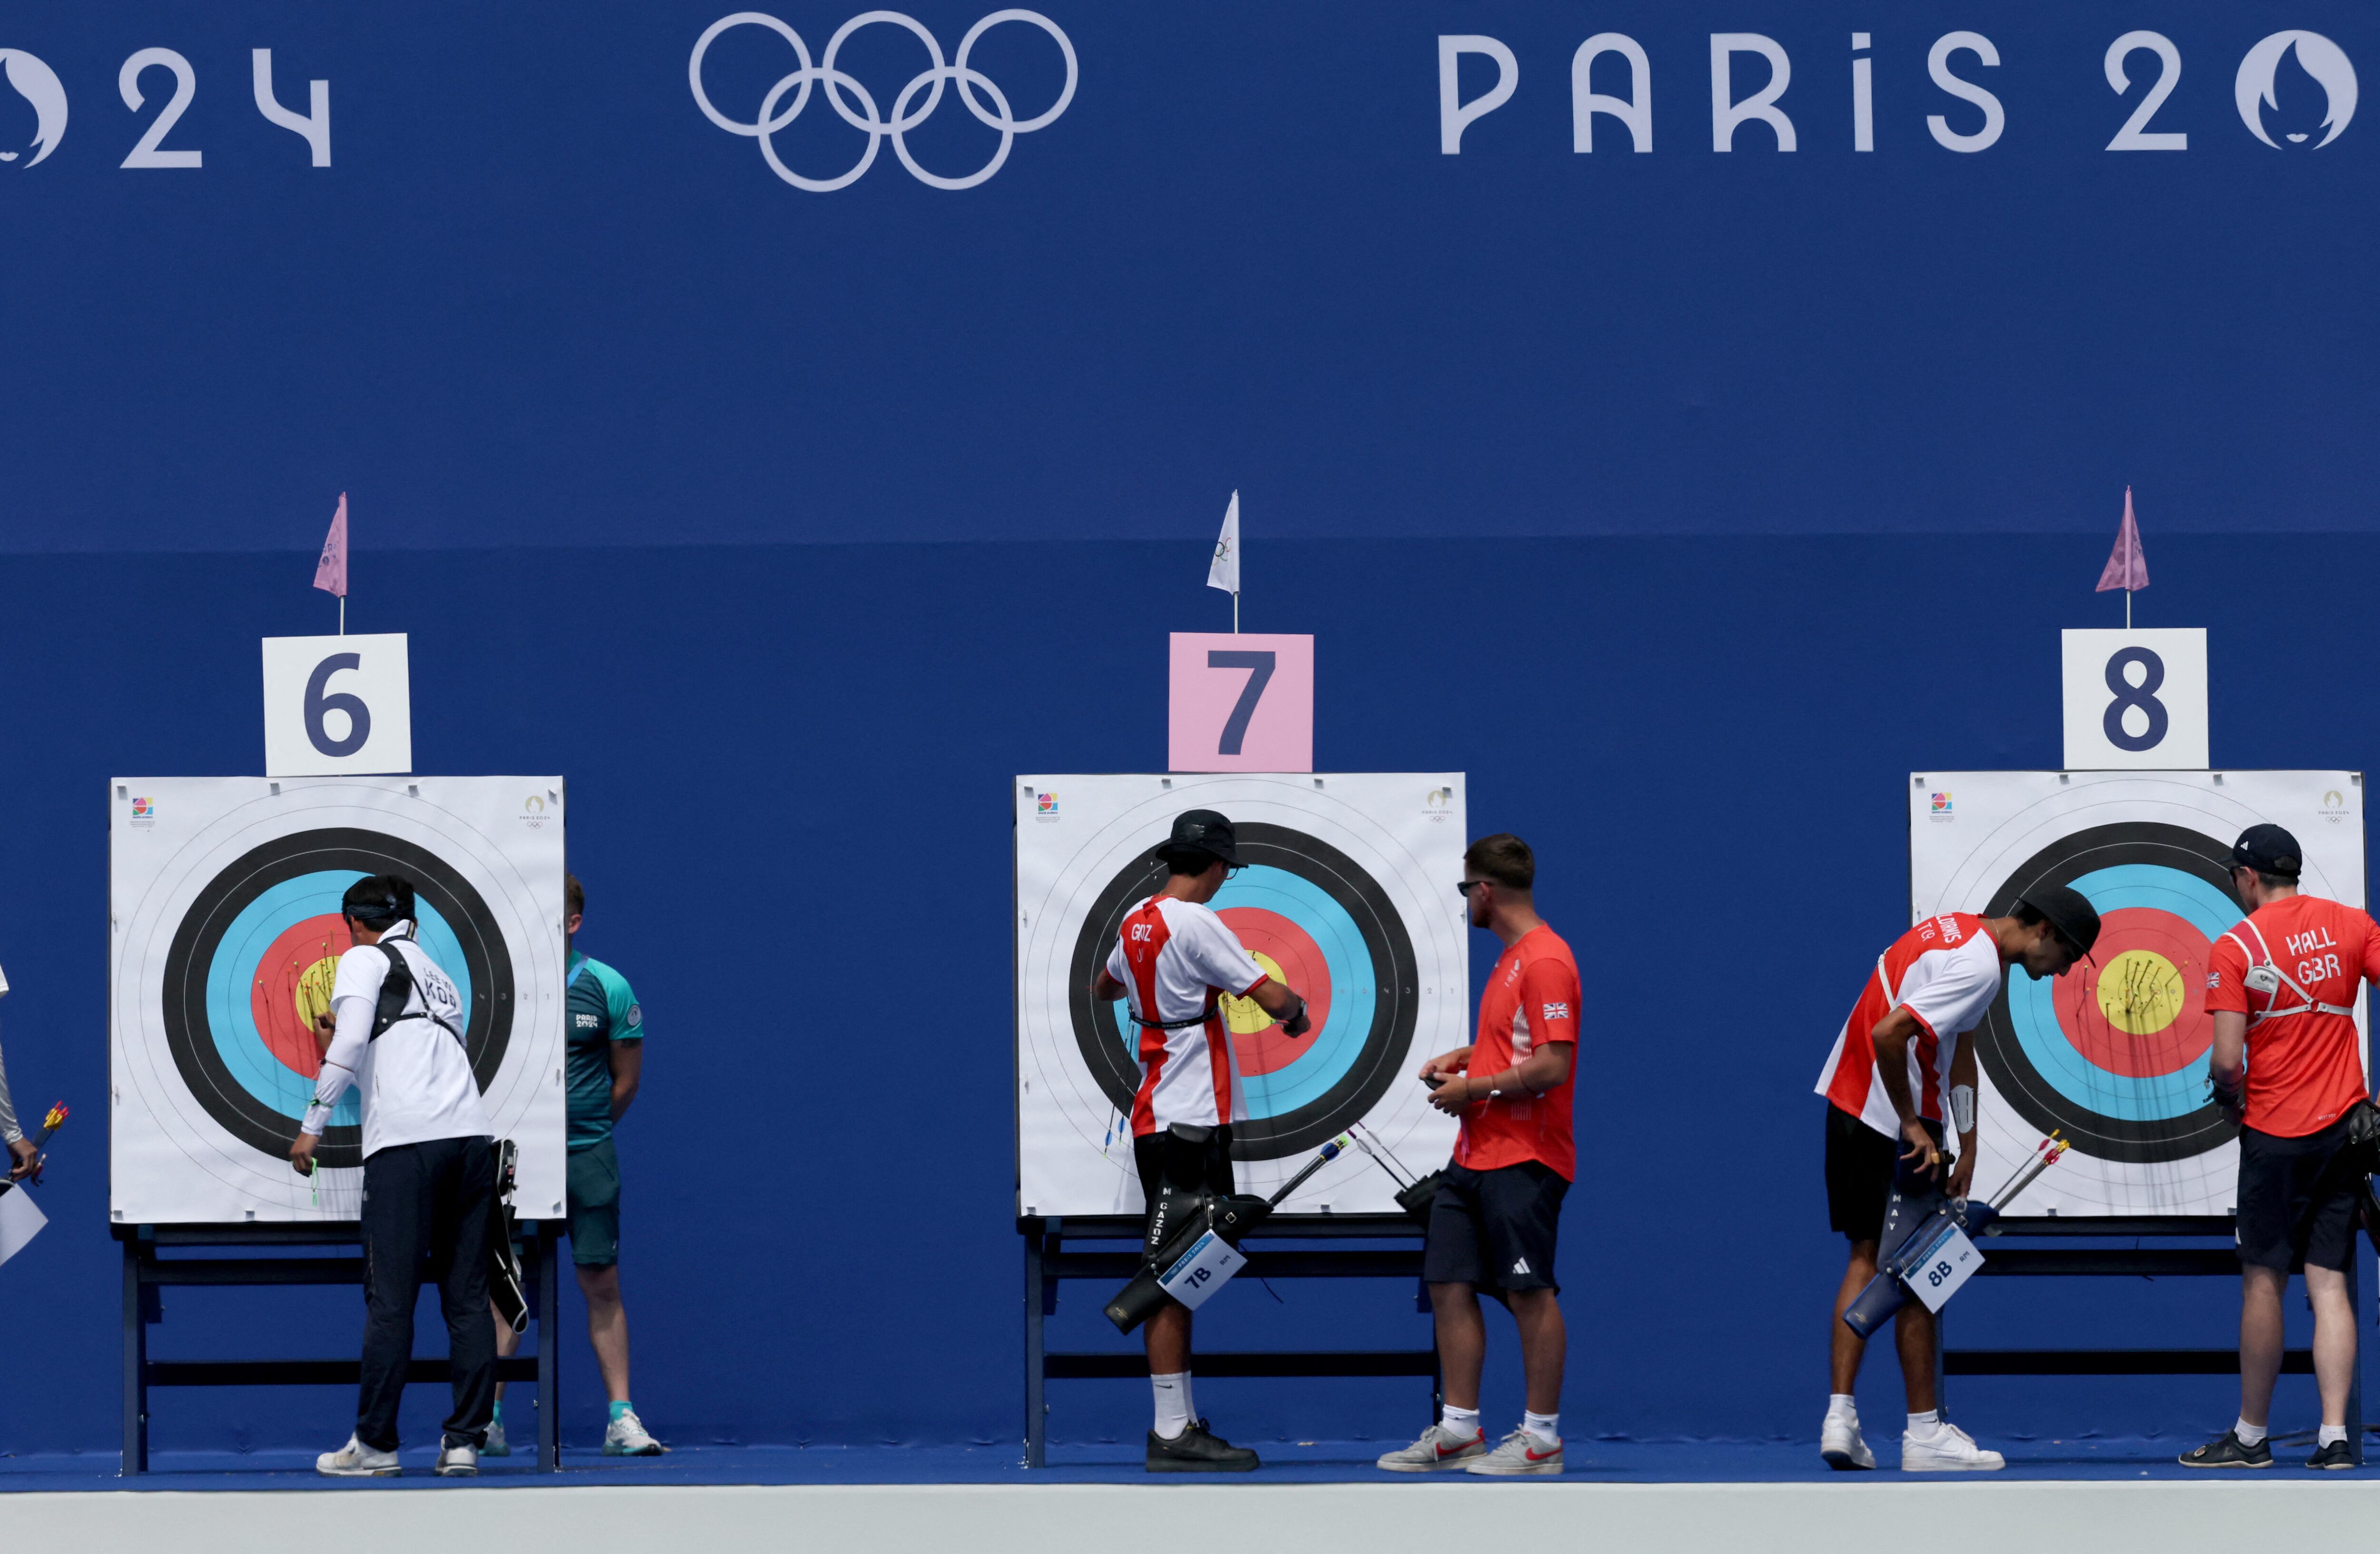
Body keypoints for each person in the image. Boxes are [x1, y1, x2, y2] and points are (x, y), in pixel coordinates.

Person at [1812, 885, 2097, 1473]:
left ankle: (1839, 1419)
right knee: (1923, 1269)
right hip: (1893, 1124)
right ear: (2043, 929)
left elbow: (1957, 1046)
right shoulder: (1979, 968)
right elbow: (1889, 1033)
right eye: (2068, 954)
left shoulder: (1957, 932)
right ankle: (1923, 1434)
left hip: (1848, 1109)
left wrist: (1966, 1144)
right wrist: (1913, 1125)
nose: (2065, 971)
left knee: (1865, 1259)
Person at [1090, 809, 1314, 1473]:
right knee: (1175, 1274)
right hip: (1191, 1119)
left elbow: (1104, 986)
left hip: (1157, 1113)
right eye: (1226, 870)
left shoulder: (1138, 919)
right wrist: (1297, 1011)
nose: (1223, 881)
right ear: (1215, 865)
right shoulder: (1197, 921)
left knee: (1180, 1269)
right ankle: (1170, 1431)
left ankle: (1178, 1422)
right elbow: (1272, 997)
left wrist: (1156, 991)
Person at [1377, 833, 1578, 1477]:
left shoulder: (1546, 960)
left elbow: (1552, 1064)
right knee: (1448, 1285)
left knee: (1529, 1294)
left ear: (1484, 891)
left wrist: (1475, 1087)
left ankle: (1541, 1439)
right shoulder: (1511, 959)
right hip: (1475, 1157)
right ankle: (1460, 1430)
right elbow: (1516, 1044)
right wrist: (1467, 1059)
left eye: (1468, 891)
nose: (1467, 902)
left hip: (1525, 1158)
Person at [2181, 824, 2380, 1472]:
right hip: (2346, 1131)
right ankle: (2335, 1439)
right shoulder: (2352, 925)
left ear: (2247, 877)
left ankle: (2251, 1437)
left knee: (2264, 1281)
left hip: (2273, 1134)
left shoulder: (2237, 946)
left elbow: (2229, 1060)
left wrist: (2227, 1092)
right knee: (2329, 1282)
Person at [292, 876, 497, 1478]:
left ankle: (376, 1445)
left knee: (390, 1302)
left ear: (355, 923)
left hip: (406, 1147)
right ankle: (464, 1443)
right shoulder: (437, 974)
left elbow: (355, 1038)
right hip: (470, 1139)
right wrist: (351, 1059)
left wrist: (314, 1123)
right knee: (466, 1300)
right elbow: (414, 1058)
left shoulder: (361, 957)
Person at [488, 873, 662, 1457]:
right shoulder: (500, 985)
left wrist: (582, 1131)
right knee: (504, 1286)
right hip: (511, 1161)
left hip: (587, 1154)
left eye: (552, 912)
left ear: (573, 921)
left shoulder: (607, 986)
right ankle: (487, 1419)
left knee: (601, 1283)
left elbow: (627, 1081)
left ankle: (621, 1419)